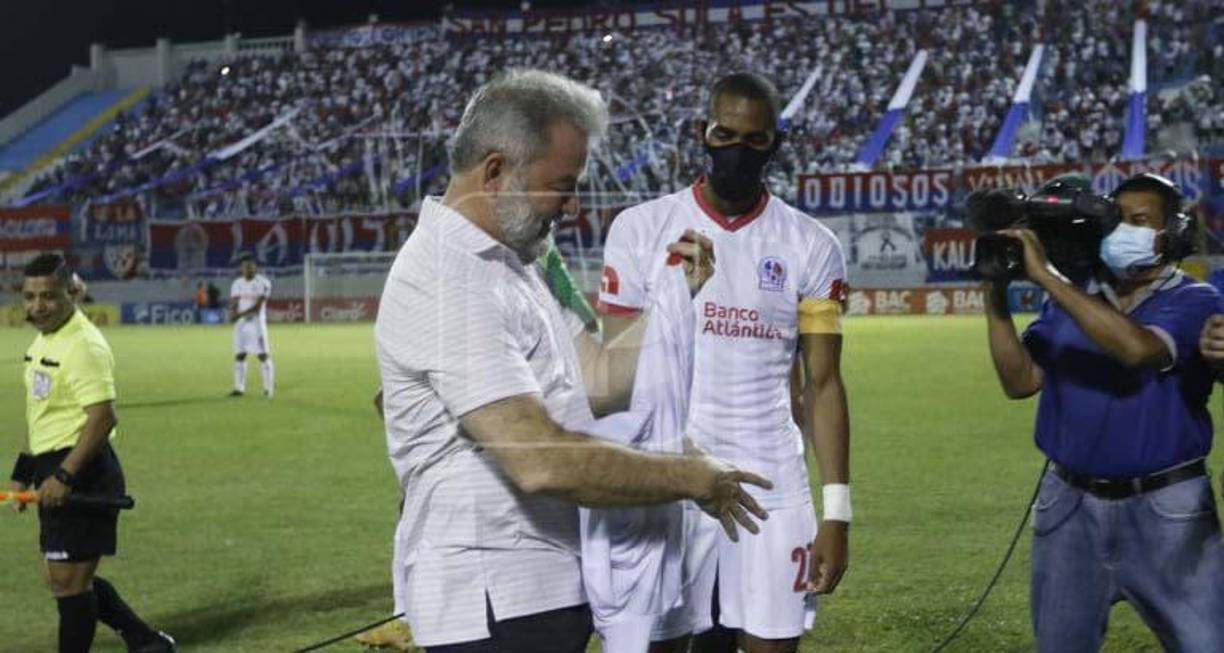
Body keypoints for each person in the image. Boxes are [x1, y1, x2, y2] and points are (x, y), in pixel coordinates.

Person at [375, 69, 771, 653]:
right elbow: (541, 461)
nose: (573, 204)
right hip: (489, 602)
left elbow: (600, 382)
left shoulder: (521, 263)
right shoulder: (446, 275)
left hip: (544, 587)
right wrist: (690, 480)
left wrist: (671, 302)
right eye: (562, 184)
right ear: (495, 171)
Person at [598, 72, 851, 653]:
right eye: (725, 134)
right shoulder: (639, 230)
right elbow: (615, 375)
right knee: (658, 645)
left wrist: (836, 512)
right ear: (701, 134)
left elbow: (825, 383)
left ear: (775, 144)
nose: (737, 150)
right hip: (669, 474)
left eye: (754, 140)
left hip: (771, 481)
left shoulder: (810, 244)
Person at [984, 172, 1224, 651]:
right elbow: (1021, 382)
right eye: (1119, 220)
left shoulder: (1194, 300)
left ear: (1171, 232)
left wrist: (1047, 277)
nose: (1125, 230)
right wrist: (994, 298)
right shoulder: (1078, 298)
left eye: (1140, 220)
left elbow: (1136, 351)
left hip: (1167, 508)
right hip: (1068, 505)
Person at [8, 253, 175, 653]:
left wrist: (64, 476)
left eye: (48, 296)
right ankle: (147, 641)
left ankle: (147, 643)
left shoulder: (83, 344)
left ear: (71, 292)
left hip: (83, 471)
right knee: (61, 579)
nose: (37, 306)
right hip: (54, 464)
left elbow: (102, 418)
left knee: (69, 584)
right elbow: (45, 414)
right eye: (30, 297)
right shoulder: (45, 339)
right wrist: (24, 470)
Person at [228, 254, 274, 398]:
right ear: (241, 268)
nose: (247, 269)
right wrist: (232, 312)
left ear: (255, 267)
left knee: (262, 355)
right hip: (241, 325)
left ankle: (268, 390)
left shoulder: (264, 283)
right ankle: (239, 388)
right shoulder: (237, 283)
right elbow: (235, 301)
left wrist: (238, 314)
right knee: (240, 355)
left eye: (250, 266)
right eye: (245, 266)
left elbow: (257, 308)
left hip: (256, 324)